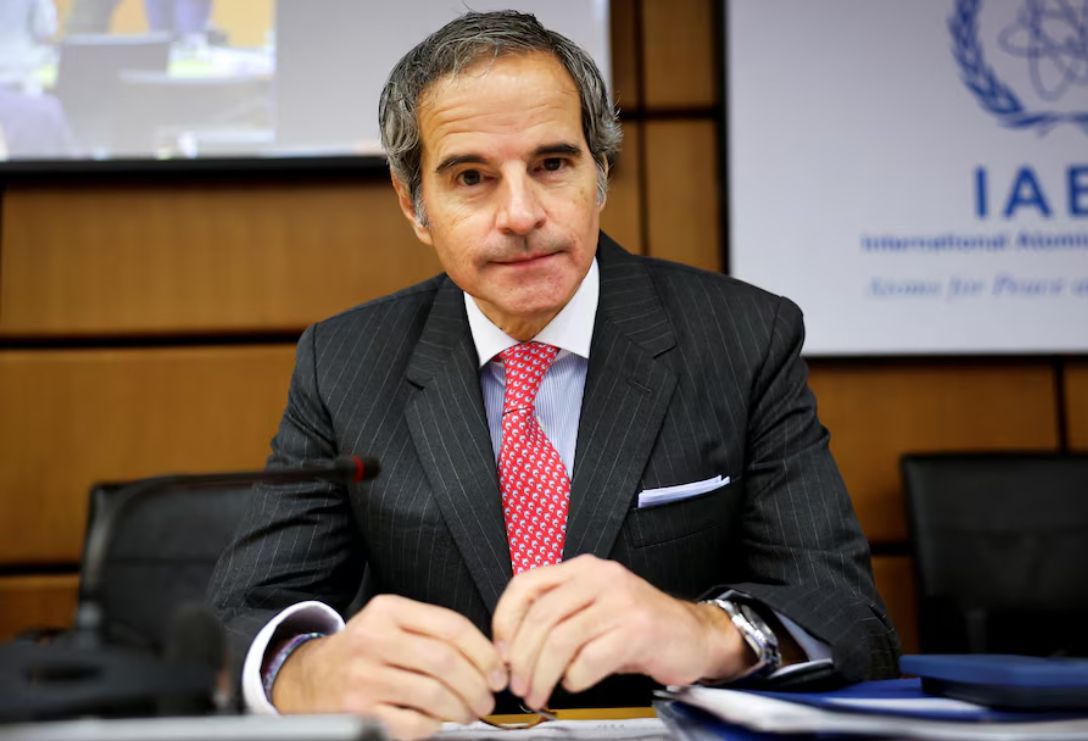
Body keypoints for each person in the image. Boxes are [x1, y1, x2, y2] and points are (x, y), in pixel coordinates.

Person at [209, 10, 899, 739]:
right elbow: (237, 614)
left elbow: (850, 616)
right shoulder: (344, 362)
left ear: (599, 174)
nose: (520, 213)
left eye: (552, 164)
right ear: (414, 204)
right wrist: (309, 669)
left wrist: (707, 633)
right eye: (471, 177)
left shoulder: (742, 339)